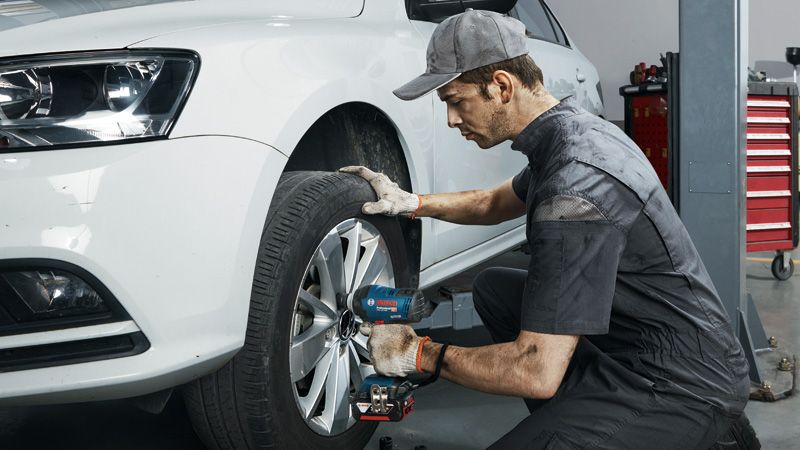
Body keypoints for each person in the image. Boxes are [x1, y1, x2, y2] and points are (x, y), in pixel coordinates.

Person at [340, 9, 751, 449]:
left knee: (539, 380)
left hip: (680, 383)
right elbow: (494, 202)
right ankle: (582, 413)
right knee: (495, 290)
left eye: (455, 101)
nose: (451, 120)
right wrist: (414, 203)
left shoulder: (575, 191)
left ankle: (667, 431)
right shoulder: (571, 135)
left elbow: (534, 371)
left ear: (501, 86)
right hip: (637, 341)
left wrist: (417, 354)